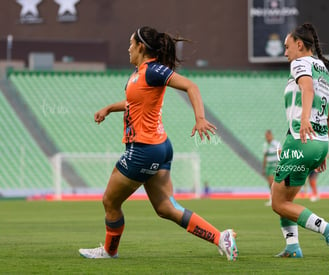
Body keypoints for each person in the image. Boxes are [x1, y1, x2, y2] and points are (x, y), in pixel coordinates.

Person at [78, 26, 238, 261]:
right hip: (160, 147)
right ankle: (220, 237)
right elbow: (135, 103)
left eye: (131, 44)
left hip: (143, 149)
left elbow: (190, 86)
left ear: (141, 47)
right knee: (165, 208)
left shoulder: (153, 70)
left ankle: (109, 251)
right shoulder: (139, 73)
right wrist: (110, 108)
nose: (128, 48)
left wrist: (200, 118)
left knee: (109, 201)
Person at [271, 23, 329, 260]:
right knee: (285, 198)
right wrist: (320, 151)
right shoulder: (323, 69)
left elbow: (307, 89)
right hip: (319, 142)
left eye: (287, 46)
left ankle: (327, 229)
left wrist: (304, 121)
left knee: (278, 203)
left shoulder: (300, 63)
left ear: (299, 44)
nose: (285, 52)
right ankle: (293, 247)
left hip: (301, 140)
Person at [262, 129, 281, 206]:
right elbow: (265, 157)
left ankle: (274, 199)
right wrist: (263, 168)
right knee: (270, 184)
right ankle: (272, 198)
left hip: (275, 166)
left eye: (268, 136)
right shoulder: (265, 145)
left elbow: (280, 154)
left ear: (271, 135)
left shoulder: (276, 144)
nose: (267, 137)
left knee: (272, 182)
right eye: (266, 136)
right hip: (269, 166)